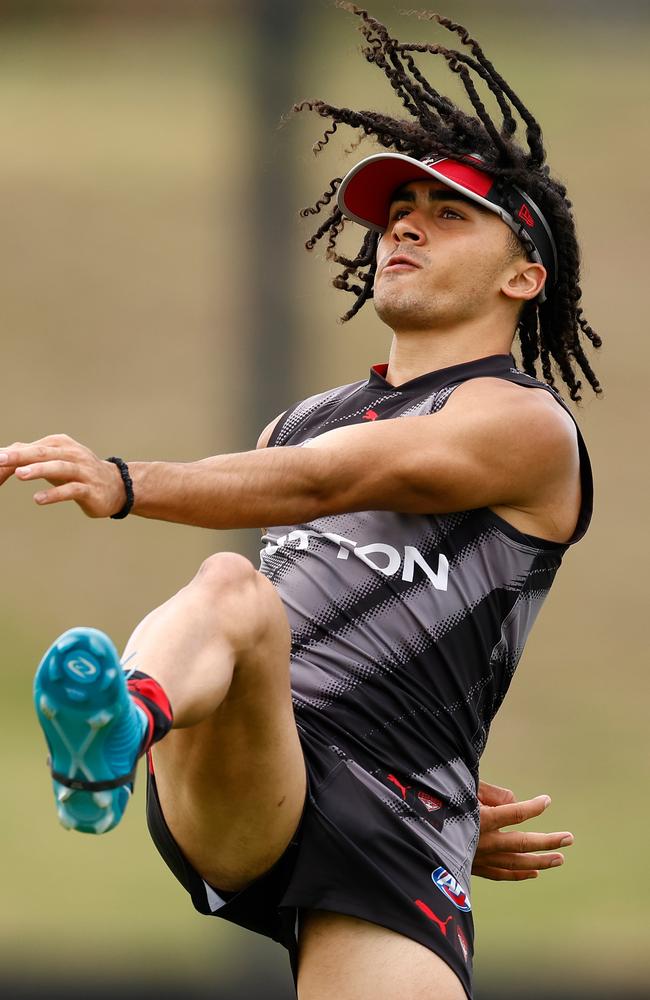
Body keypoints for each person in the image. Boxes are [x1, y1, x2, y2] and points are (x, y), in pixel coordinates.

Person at [2, 7, 601, 999]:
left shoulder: (525, 427)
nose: (403, 223)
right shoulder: (309, 417)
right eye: (397, 208)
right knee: (232, 588)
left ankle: (128, 719)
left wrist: (122, 482)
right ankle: (117, 726)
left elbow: (330, 480)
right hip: (257, 770)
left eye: (448, 213)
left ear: (523, 276)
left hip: (404, 818)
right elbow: (299, 497)